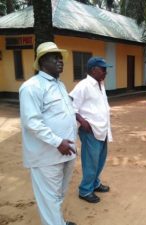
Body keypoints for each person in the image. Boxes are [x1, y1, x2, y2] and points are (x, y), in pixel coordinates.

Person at [19, 42, 77, 225]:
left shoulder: (60, 85)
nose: (60, 61)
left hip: (66, 151)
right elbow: (32, 122)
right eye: (55, 57)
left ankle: (57, 221)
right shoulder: (32, 87)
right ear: (43, 61)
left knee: (58, 194)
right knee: (49, 198)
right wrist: (58, 142)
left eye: (61, 57)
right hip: (47, 156)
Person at [70, 57, 112, 203]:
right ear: (93, 70)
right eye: (103, 69)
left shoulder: (100, 84)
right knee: (90, 161)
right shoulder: (84, 85)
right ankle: (85, 190)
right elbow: (70, 106)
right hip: (90, 131)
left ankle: (95, 183)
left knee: (100, 160)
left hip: (102, 129)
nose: (106, 72)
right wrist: (82, 121)